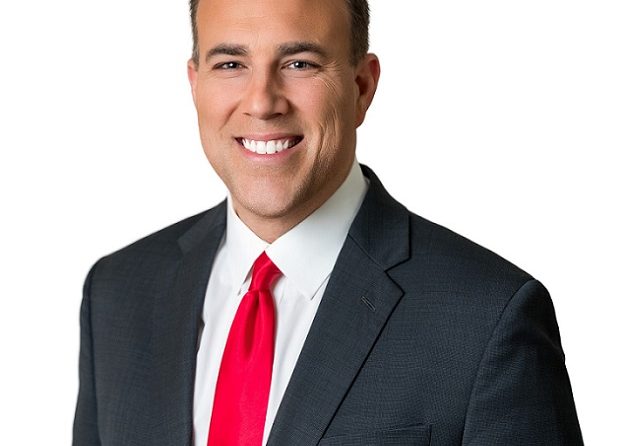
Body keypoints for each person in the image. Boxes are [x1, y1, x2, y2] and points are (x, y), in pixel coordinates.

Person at [73, 0, 583, 444]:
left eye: (299, 63)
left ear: (362, 86)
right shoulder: (116, 293)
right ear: (194, 84)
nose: (261, 103)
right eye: (230, 64)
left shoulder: (487, 318)